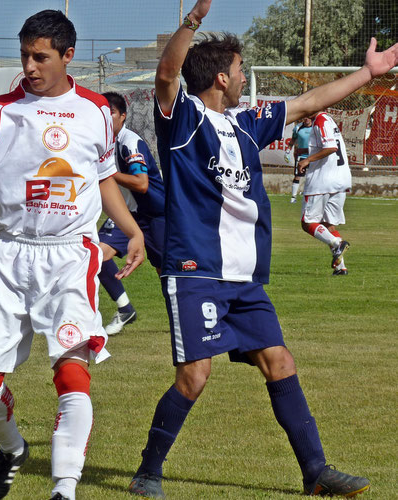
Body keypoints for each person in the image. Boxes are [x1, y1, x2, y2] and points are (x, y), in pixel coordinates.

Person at [128, 0, 398, 497]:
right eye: (238, 68)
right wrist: (193, 20)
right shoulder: (184, 118)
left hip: (245, 278)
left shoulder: (248, 123)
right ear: (222, 80)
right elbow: (168, 72)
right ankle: (148, 473)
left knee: (281, 362)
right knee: (194, 376)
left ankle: (315, 473)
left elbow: (311, 101)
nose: (244, 73)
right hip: (196, 270)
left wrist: (366, 73)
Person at [0, 10, 144, 500]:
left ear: (69, 57)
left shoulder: (94, 113)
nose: (29, 66)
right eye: (24, 55)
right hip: (7, 256)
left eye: (40, 56)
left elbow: (104, 178)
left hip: (70, 254)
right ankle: (13, 448)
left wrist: (131, 230)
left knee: (70, 368)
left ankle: (63, 489)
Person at [98, 91, 166, 335]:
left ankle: (182, 320)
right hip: (128, 213)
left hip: (155, 214)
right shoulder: (101, 142)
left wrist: (107, 174)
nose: (105, 118)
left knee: (165, 272)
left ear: (123, 116)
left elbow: (141, 183)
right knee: (94, 255)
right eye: (101, 114)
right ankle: (125, 308)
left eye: (111, 113)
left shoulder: (129, 141)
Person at [297, 112, 352, 275]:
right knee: (328, 225)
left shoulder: (320, 120)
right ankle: (341, 268)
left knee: (307, 223)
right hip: (340, 179)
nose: (304, 113)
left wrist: (308, 160)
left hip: (323, 181)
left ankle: (336, 243)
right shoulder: (329, 120)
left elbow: (331, 147)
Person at [286, 116, 313, 203]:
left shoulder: (316, 127)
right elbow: (292, 140)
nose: (307, 119)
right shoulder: (297, 128)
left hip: (313, 155)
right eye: (305, 117)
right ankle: (293, 197)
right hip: (301, 155)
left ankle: (310, 196)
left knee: (313, 176)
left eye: (309, 117)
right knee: (298, 175)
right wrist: (287, 150)